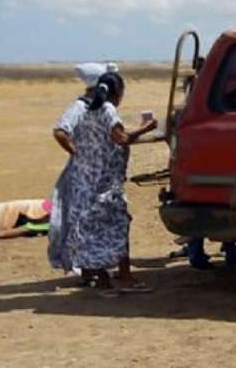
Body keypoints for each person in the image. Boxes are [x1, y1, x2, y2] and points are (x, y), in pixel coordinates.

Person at [47, 63, 157, 297]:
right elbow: (121, 138)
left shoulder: (79, 107)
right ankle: (123, 277)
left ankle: (99, 278)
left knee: (90, 227)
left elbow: (60, 131)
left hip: (84, 181)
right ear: (117, 92)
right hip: (106, 181)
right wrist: (145, 129)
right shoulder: (107, 110)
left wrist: (79, 153)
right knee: (118, 224)